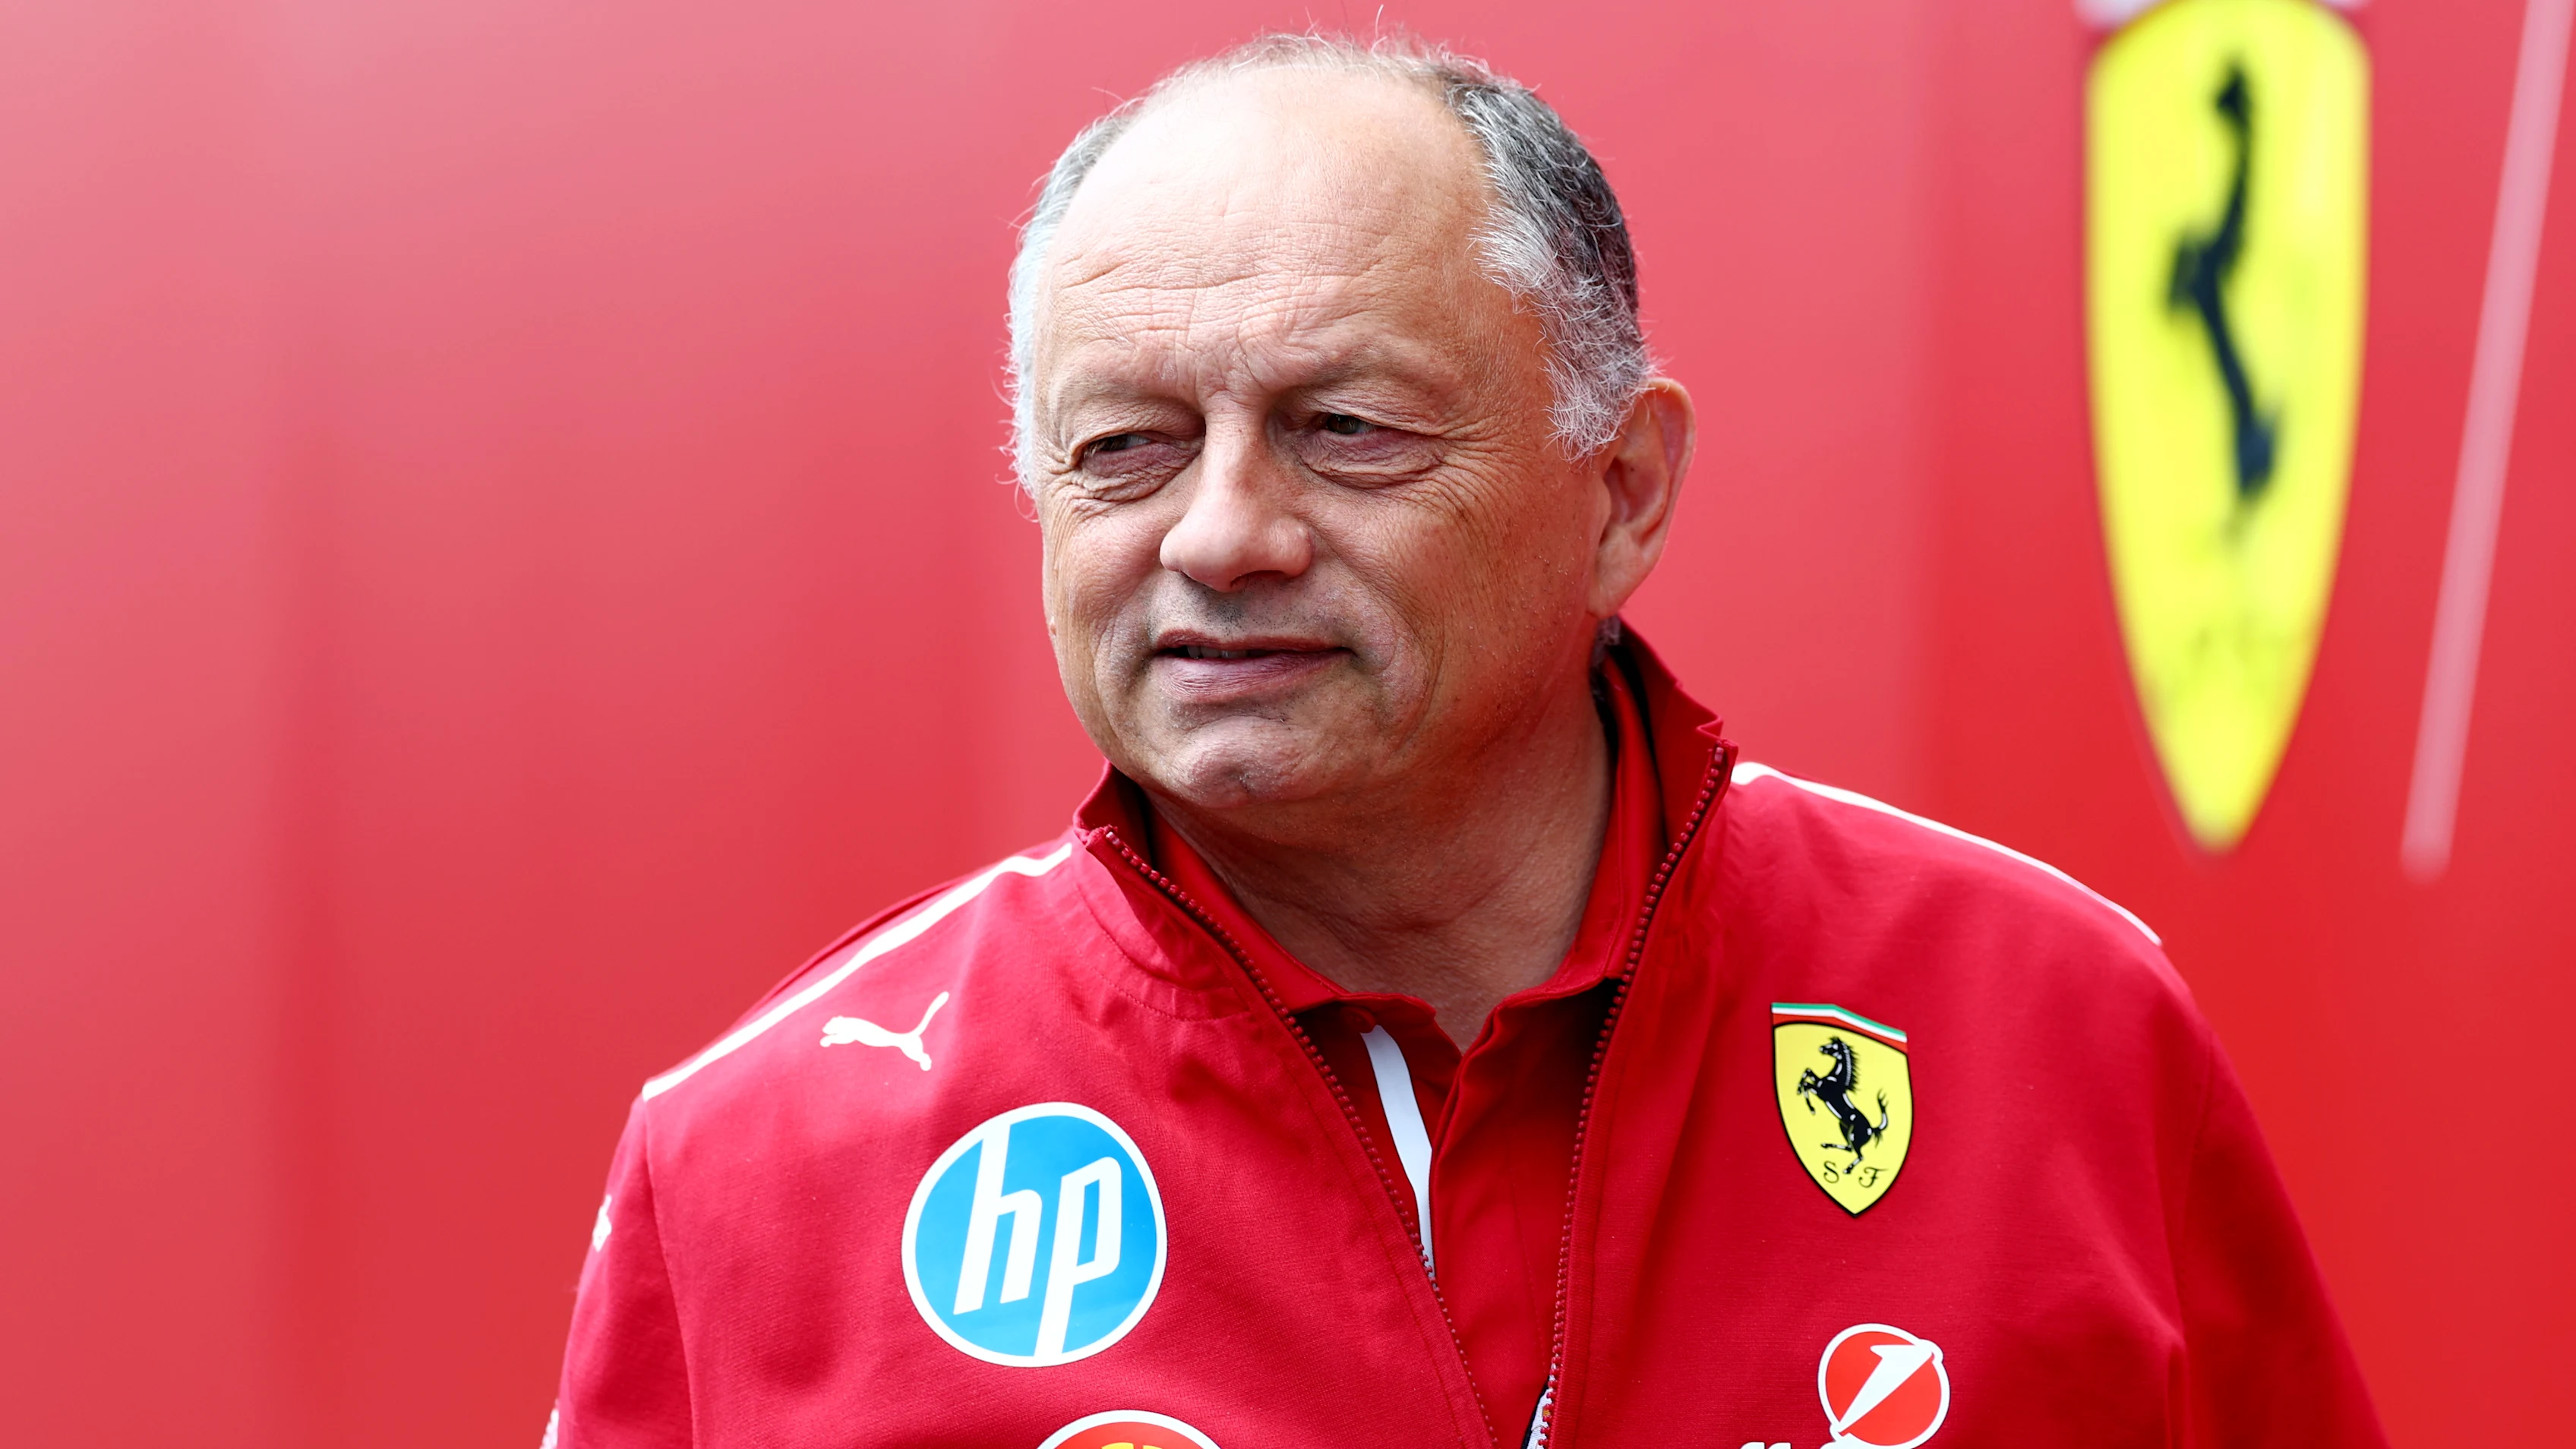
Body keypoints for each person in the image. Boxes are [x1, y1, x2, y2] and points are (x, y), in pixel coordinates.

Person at [548, 34, 2385, 1449]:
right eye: (1124, 446)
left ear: (1624, 488)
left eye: (1344, 427)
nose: (1217, 535)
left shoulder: (2050, 1029)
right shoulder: (766, 1165)